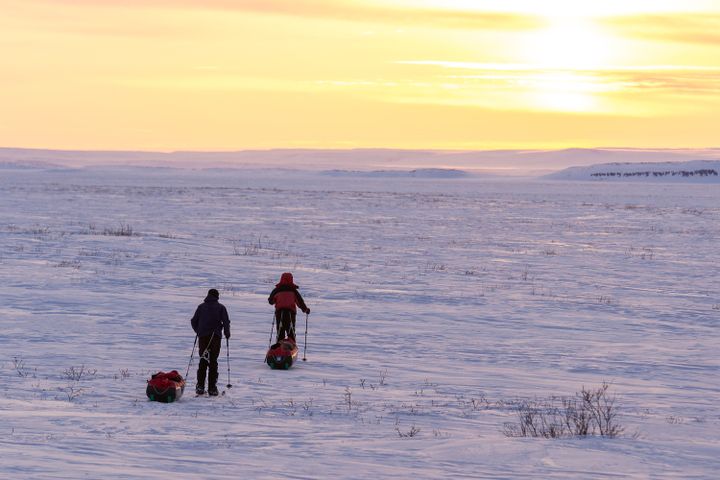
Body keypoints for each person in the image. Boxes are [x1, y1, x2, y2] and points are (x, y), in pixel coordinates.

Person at [191, 288, 230, 396]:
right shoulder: (221, 307)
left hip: (203, 337)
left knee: (203, 360)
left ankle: (200, 387)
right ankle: (212, 388)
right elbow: (226, 321)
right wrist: (227, 333)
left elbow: (193, 321)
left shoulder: (201, 307)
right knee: (213, 361)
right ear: (217, 296)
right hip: (215, 338)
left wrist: (198, 331)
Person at [268, 272, 310, 342]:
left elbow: (271, 301)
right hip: (290, 313)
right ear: (291, 279)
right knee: (290, 330)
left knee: (280, 330)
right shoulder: (293, 291)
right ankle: (291, 345)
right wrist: (305, 310)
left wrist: (275, 301)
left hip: (279, 313)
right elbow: (300, 302)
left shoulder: (277, 290)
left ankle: (279, 346)